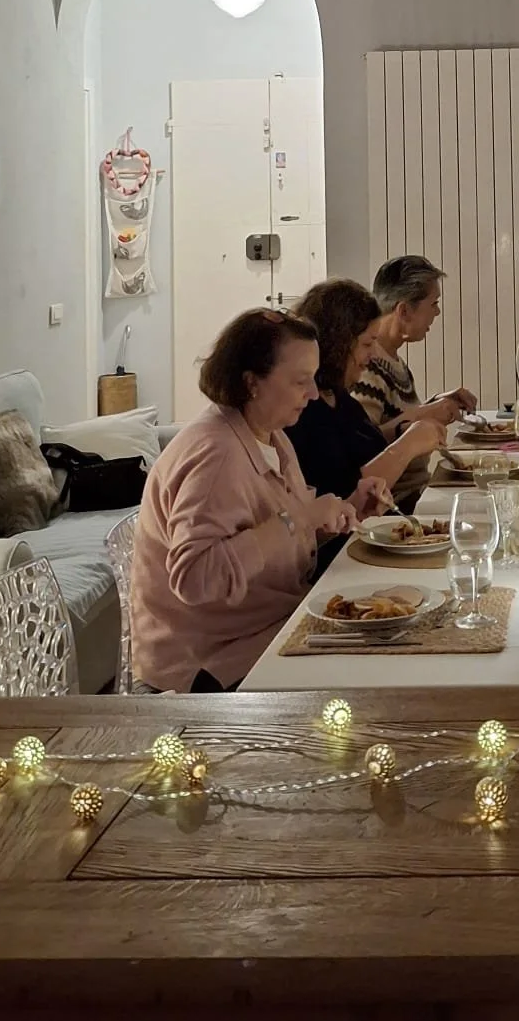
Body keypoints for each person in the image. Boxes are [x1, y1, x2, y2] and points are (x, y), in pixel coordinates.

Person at [131, 309, 372, 693]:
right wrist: (300, 519)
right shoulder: (216, 454)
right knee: (368, 673)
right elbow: (195, 578)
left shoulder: (271, 436)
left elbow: (274, 537)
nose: (312, 394)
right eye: (300, 382)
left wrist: (348, 509)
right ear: (252, 383)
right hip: (210, 664)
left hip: (263, 628)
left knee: (382, 630)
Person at [289, 277, 447, 508]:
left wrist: (410, 427)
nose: (373, 354)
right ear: (338, 344)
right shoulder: (304, 411)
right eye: (366, 344)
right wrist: (409, 444)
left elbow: (370, 441)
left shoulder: (339, 398)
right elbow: (349, 498)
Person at [352, 255, 477, 441]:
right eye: (434, 303)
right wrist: (426, 413)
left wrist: (438, 403)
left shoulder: (392, 360)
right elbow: (365, 444)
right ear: (404, 311)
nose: (437, 312)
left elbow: (397, 419)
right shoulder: (367, 365)